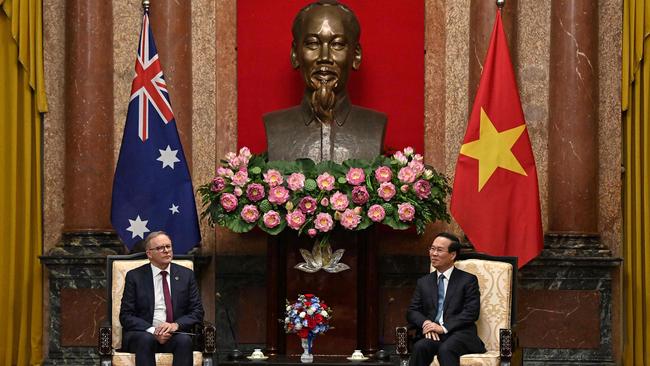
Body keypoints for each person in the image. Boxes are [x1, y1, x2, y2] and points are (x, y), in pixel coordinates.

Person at [263, 0, 386, 163]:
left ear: (356, 55)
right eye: (313, 44)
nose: (325, 57)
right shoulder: (275, 126)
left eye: (337, 44)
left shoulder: (374, 125)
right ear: (295, 54)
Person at [119, 231, 204, 366]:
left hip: (174, 334)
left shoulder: (186, 275)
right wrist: (154, 331)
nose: (166, 251)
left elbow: (197, 311)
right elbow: (126, 316)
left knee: (184, 340)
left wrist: (174, 326)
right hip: (143, 334)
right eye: (160, 248)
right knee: (146, 339)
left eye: (168, 246)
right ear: (149, 254)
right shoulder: (135, 277)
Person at [406, 233, 486, 366]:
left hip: (460, 335)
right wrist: (426, 323)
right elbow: (412, 311)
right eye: (432, 249)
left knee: (446, 349)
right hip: (434, 336)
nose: (434, 253)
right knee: (420, 347)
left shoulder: (468, 280)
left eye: (439, 250)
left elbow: (471, 312)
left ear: (452, 255)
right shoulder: (424, 282)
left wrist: (442, 328)